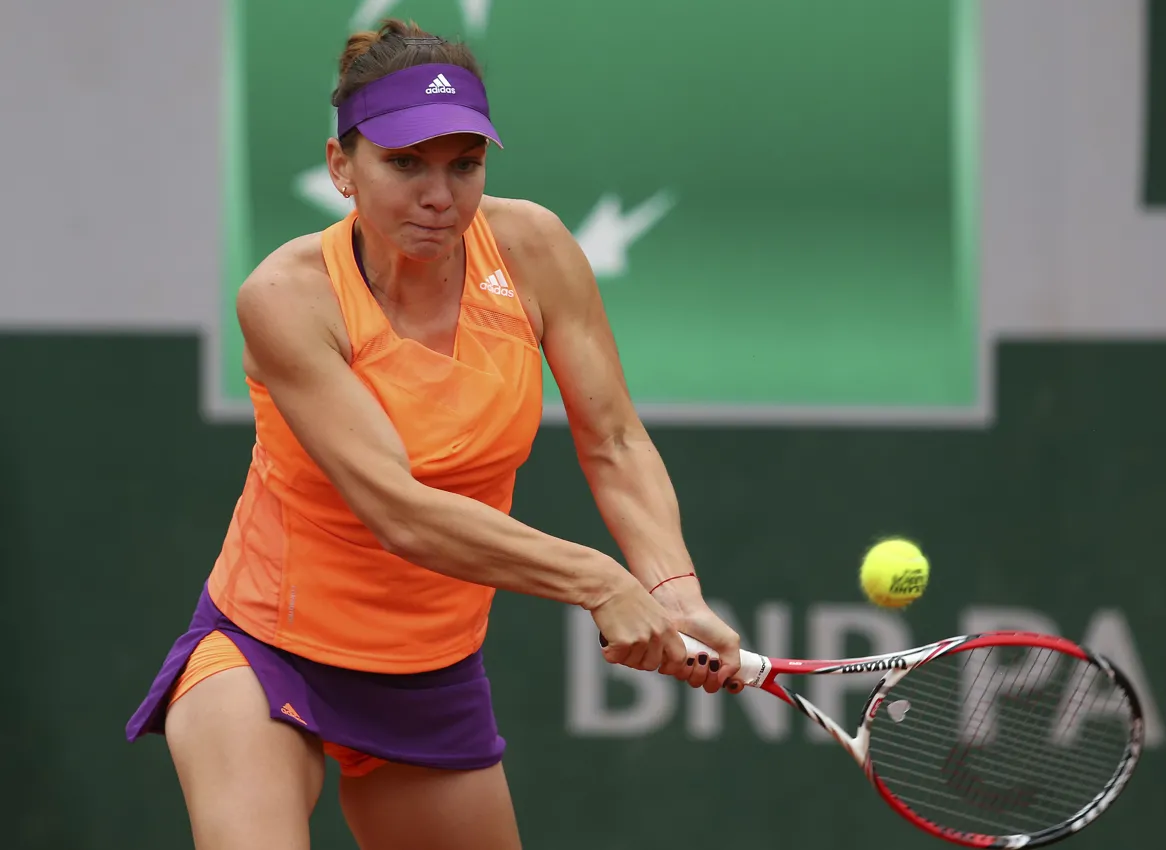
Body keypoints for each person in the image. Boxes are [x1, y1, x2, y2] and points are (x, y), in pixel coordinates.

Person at [126, 18, 743, 850]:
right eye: (404, 162)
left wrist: (672, 589)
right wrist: (599, 580)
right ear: (341, 166)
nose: (438, 194)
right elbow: (401, 512)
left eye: (465, 164)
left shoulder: (535, 250)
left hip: (429, 670)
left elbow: (616, 441)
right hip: (267, 649)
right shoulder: (285, 296)